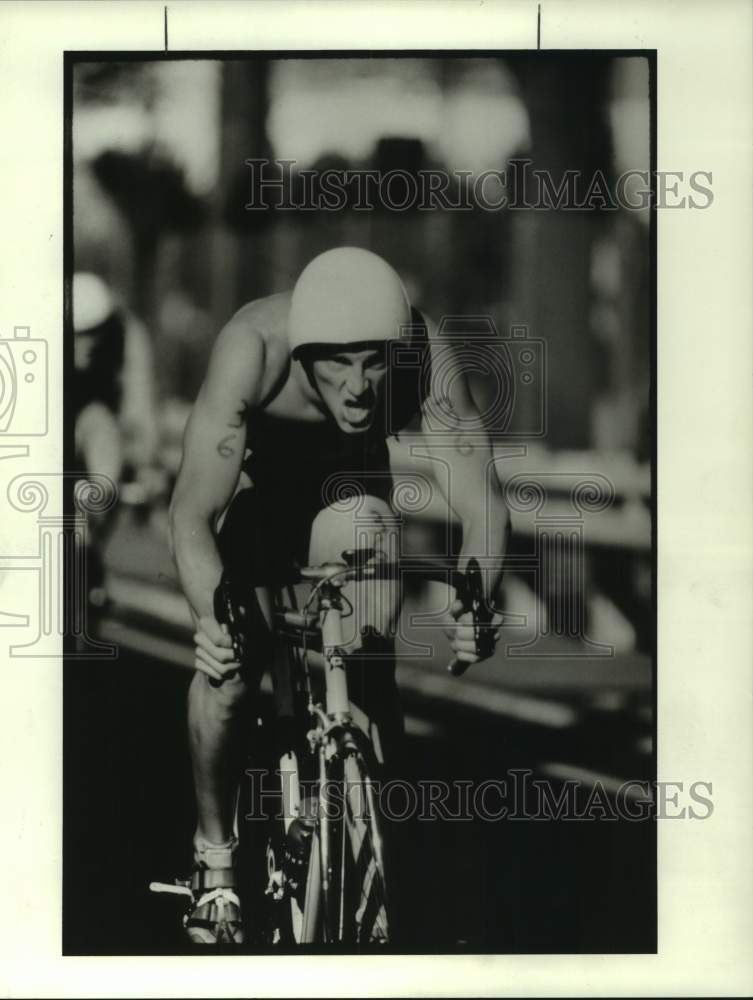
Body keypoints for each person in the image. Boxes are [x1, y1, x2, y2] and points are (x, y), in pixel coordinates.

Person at [168, 247, 510, 944]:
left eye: (374, 362)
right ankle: (214, 860)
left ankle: (371, 825)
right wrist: (212, 618)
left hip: (352, 502)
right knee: (230, 670)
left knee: (367, 649)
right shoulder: (251, 350)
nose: (358, 388)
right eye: (336, 362)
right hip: (262, 501)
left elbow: (481, 505)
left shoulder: (424, 355)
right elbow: (191, 514)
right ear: (299, 353)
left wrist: (475, 599)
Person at [73, 272, 159, 609]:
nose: (87, 345)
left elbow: (140, 406)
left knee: (100, 423)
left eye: (94, 334)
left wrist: (145, 463)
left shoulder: (128, 334)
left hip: (100, 430)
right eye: (76, 336)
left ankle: (88, 548)